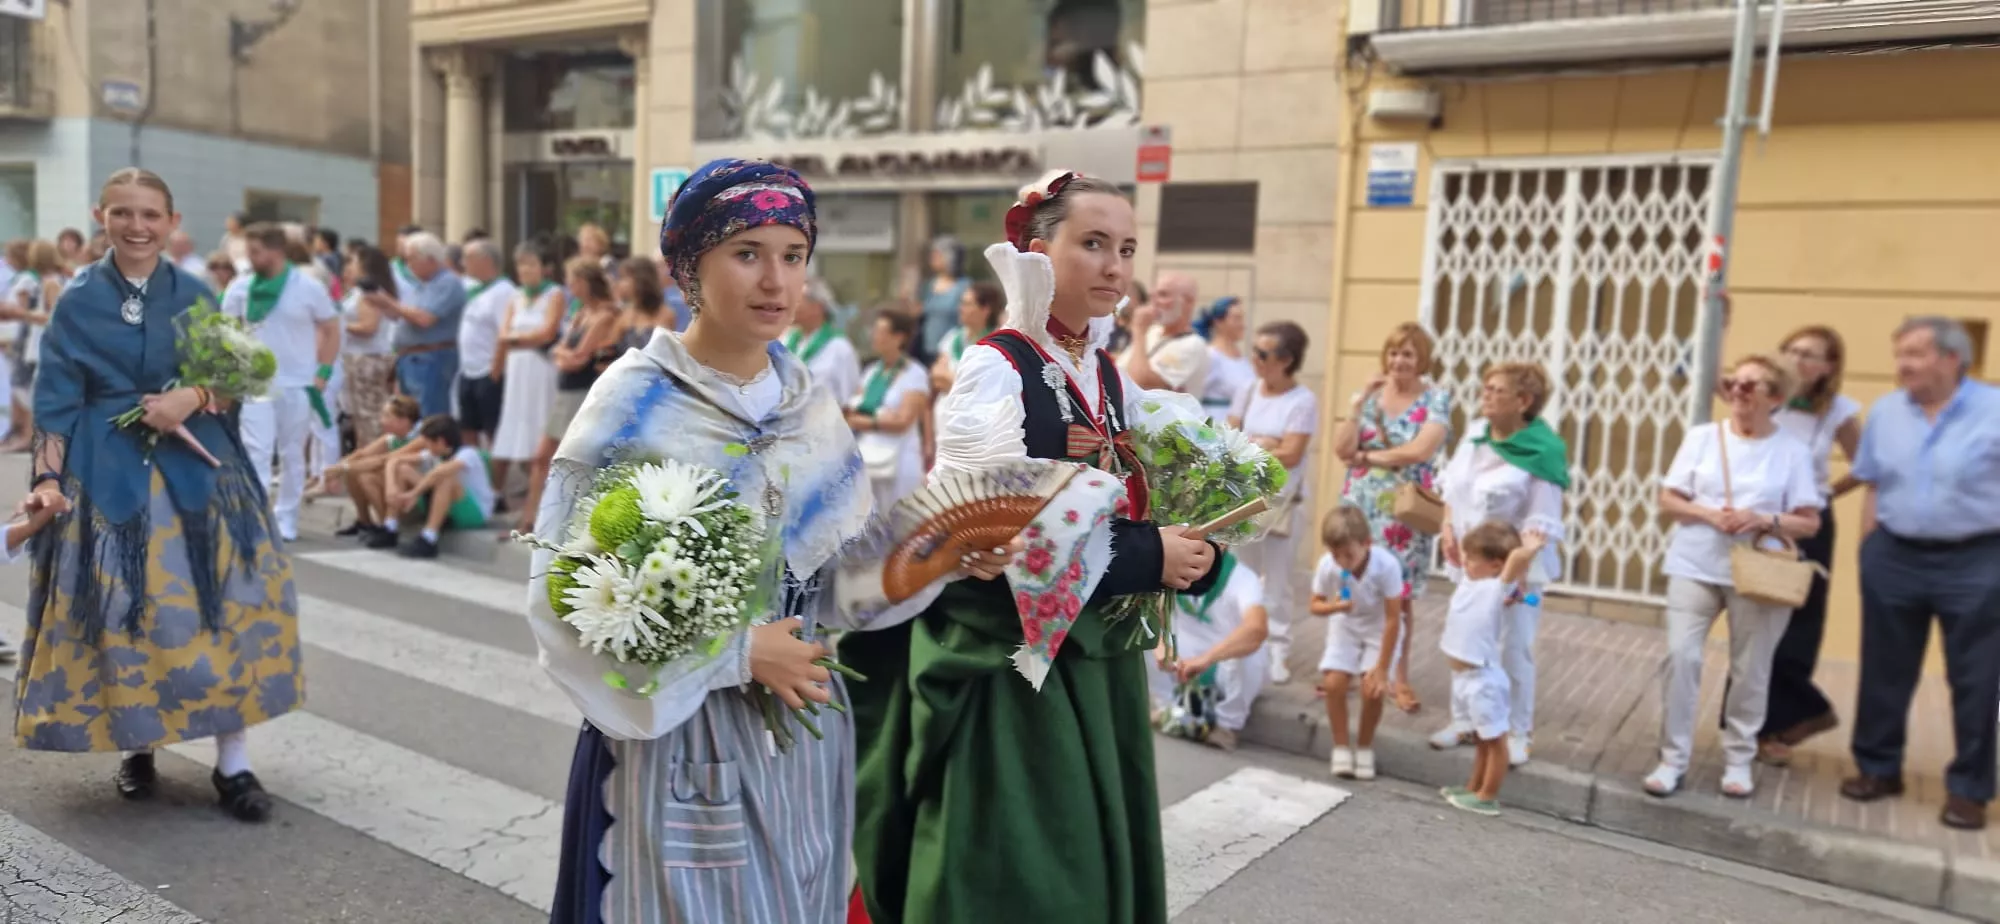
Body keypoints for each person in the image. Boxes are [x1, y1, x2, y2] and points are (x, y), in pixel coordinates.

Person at [530, 158, 983, 923]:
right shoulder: (634, 404)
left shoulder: (811, 403)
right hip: (680, 738)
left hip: (803, 740)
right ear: (689, 269)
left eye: (794, 255)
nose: (776, 280)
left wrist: (945, 549)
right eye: (747, 253)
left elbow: (838, 586)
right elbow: (569, 597)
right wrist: (739, 654)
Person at [846, 169, 1223, 923]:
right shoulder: (999, 366)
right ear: (1039, 253)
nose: (1115, 267)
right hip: (1011, 662)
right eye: (1093, 244)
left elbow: (1136, 493)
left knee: (1083, 856)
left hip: (1095, 658)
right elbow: (977, 530)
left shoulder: (1105, 369)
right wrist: (1151, 558)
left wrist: (1208, 552)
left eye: (1125, 247)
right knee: (1016, 866)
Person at [17, 167, 299, 821]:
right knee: (125, 617)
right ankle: (138, 742)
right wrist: (46, 481)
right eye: (122, 213)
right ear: (100, 217)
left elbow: (229, 378)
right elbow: (56, 404)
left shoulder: (198, 293)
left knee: (225, 607)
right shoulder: (76, 300)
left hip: (199, 471)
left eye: (150, 215)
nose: (136, 226)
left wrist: (191, 397)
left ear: (173, 223)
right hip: (106, 476)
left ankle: (234, 765)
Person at [1842, 317, 2000, 831]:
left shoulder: (1994, 410)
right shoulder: (1887, 412)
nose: (1902, 365)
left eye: (1914, 353)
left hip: (1976, 559)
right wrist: (1869, 550)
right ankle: (1878, 768)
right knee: (1885, 670)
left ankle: (1969, 790)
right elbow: (1873, 482)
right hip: (1895, 555)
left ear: (1952, 359)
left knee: (1976, 677)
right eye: (1900, 354)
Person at [1647, 354, 1822, 800]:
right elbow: (1669, 499)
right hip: (1695, 563)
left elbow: (1809, 522)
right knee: (1681, 656)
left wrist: (1762, 519)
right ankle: (1672, 759)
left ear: (1776, 397)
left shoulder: (1792, 451)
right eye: (1733, 383)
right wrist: (1707, 513)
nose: (1739, 392)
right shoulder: (1703, 438)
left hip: (1759, 573)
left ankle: (1739, 757)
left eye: (1752, 386)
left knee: (1751, 668)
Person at [1431, 362, 1569, 766]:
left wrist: (1516, 578)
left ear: (1523, 401)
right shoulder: (1475, 434)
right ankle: (1464, 720)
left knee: (1513, 649)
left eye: (1496, 390)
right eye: (1485, 387)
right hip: (1469, 562)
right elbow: (1453, 488)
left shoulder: (1543, 451)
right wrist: (1447, 529)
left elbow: (1539, 524)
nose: (1486, 395)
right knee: (1467, 639)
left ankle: (1516, 731)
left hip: (1515, 571)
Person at [1749, 326, 1862, 765]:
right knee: (1757, 618)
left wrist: (1826, 493)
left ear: (1829, 368)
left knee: (1799, 621)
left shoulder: (1835, 411)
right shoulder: (1764, 397)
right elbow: (1718, 383)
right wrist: (1718, 324)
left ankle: (1785, 722)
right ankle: (1753, 725)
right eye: (1791, 350)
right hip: (1760, 518)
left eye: (1810, 355)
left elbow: (1867, 462)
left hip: (1807, 522)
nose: (1798, 360)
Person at [1330, 322, 1452, 711]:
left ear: (1422, 361)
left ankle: (1398, 676)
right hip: (1360, 504)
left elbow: (1419, 451)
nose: (1399, 361)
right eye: (1394, 353)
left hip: (1403, 510)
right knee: (1349, 580)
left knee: (1397, 598)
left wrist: (1367, 458)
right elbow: (1341, 448)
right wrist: (1356, 404)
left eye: (1408, 355)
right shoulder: (1369, 397)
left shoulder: (1435, 399)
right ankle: (1345, 667)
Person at [221, 222, 341, 543]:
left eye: (256, 252)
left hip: (298, 382)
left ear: (276, 252)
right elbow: (226, 329)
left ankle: (286, 516)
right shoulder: (241, 287)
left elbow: (331, 329)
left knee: (291, 453)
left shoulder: (307, 286)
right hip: (257, 383)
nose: (250, 258)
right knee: (256, 451)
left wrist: (323, 372)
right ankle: (256, 518)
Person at [1227, 320, 1317, 684]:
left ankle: (1278, 647)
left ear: (1286, 360)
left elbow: (1293, 454)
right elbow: (1228, 437)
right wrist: (1263, 444)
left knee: (1278, 582)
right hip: (1244, 499)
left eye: (1263, 354)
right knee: (1243, 575)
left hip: (1282, 502)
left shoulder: (1303, 400)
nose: (1255, 359)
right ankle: (1242, 642)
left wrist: (1261, 445)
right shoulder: (1248, 391)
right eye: (1255, 351)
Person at [1439, 522, 1546, 817]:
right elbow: (1464, 553)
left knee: (1495, 741)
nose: (1466, 562)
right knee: (1482, 740)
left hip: (1482, 679)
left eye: (1473, 558)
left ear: (1495, 565)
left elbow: (1513, 561)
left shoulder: (1495, 588)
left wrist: (1529, 548)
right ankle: (1473, 786)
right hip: (1464, 678)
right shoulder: (1470, 582)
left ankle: (1488, 794)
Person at [512, 258, 622, 536]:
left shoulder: (604, 315)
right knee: (543, 458)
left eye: (573, 281)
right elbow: (562, 351)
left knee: (568, 459)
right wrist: (564, 355)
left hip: (581, 392)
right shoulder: (582, 312)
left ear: (585, 282)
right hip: (565, 392)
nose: (570, 287)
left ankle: (556, 523)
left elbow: (577, 358)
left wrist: (564, 356)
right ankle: (532, 521)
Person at [1310, 504, 1405, 781]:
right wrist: (1334, 608)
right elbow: (1315, 605)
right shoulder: (1328, 566)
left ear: (1367, 543)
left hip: (1379, 628)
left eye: (1348, 554)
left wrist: (1383, 668)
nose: (1342, 561)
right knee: (1334, 683)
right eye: (1335, 554)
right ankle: (1341, 746)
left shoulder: (1386, 566)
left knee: (1372, 688)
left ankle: (1364, 746)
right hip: (1346, 623)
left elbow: (1393, 619)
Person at [1147, 550, 1269, 752]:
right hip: (1181, 661)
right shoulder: (1172, 564)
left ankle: (1227, 725)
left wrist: (1207, 659)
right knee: (1143, 637)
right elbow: (1146, 611)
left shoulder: (1241, 577)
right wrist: (1162, 648)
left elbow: (1257, 628)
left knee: (1253, 649)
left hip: (1222, 666)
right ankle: (1165, 707)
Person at [489, 242, 564, 508]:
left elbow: (547, 332)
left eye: (531, 264)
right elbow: (503, 334)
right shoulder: (516, 297)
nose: (525, 270)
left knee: (540, 419)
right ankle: (498, 493)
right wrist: (518, 341)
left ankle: (542, 488)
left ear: (544, 268)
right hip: (517, 368)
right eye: (521, 265)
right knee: (512, 419)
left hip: (540, 367)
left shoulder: (554, 294)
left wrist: (515, 339)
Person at [365, 232, 467, 419]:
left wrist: (389, 302)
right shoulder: (422, 284)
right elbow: (406, 315)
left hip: (431, 358)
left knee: (429, 415)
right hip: (412, 358)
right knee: (410, 417)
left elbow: (425, 319)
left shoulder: (447, 283)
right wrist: (381, 304)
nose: (408, 265)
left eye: (411, 259)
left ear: (429, 259)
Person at [846, 311, 930, 511]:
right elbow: (850, 413)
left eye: (881, 332)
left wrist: (867, 420)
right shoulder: (871, 372)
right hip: (868, 455)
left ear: (899, 337)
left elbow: (903, 422)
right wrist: (882, 417)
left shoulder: (914, 373)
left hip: (900, 461)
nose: (875, 336)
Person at [382, 415, 495, 558]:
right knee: (404, 469)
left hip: (475, 513)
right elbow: (394, 460)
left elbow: (439, 473)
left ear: (441, 441)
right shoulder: (435, 453)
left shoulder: (468, 454)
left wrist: (414, 493)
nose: (426, 447)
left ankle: (429, 538)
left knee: (445, 477)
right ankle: (389, 526)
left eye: (428, 443)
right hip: (451, 505)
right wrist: (391, 487)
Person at [324, 395, 426, 542]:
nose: (382, 420)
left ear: (403, 421)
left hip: (418, 498)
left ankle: (388, 525)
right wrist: (335, 470)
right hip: (402, 495)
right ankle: (365, 522)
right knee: (355, 471)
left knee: (365, 476)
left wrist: (343, 468)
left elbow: (382, 460)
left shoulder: (420, 438)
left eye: (387, 416)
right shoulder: (392, 437)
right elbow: (362, 454)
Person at [455, 239, 516, 451]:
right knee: (467, 427)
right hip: (468, 370)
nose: (463, 263)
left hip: (488, 370)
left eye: (468, 258)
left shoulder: (503, 291)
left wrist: (495, 372)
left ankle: (495, 475)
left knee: (492, 428)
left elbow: (505, 334)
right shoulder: (473, 289)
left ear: (486, 260)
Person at [338, 245, 400, 450]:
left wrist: (340, 325)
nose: (349, 267)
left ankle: (373, 456)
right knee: (362, 415)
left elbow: (369, 326)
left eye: (353, 263)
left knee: (369, 414)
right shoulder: (359, 292)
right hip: (361, 355)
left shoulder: (367, 293)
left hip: (366, 357)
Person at [1119, 271, 1208, 397]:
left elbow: (1141, 383)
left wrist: (1138, 331)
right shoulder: (1152, 332)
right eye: (1152, 296)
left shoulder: (1192, 344)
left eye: (1163, 295)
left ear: (1188, 301)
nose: (1154, 302)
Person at [785, 276, 861, 404]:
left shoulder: (839, 347)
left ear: (817, 307)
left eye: (797, 302)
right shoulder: (788, 341)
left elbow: (850, 395)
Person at [1195, 296, 1252, 421]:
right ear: (1218, 322)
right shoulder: (1210, 356)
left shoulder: (1243, 358)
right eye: (1237, 319)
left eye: (1242, 318)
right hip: (1216, 426)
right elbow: (1194, 393)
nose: (1242, 325)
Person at [916, 235, 971, 363]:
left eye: (937, 255)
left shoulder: (963, 287)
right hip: (926, 351)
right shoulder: (928, 285)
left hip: (953, 351)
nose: (932, 259)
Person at [614, 254, 668, 351]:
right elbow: (611, 347)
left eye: (624, 278)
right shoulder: (624, 314)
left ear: (641, 280)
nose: (619, 283)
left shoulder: (665, 314)